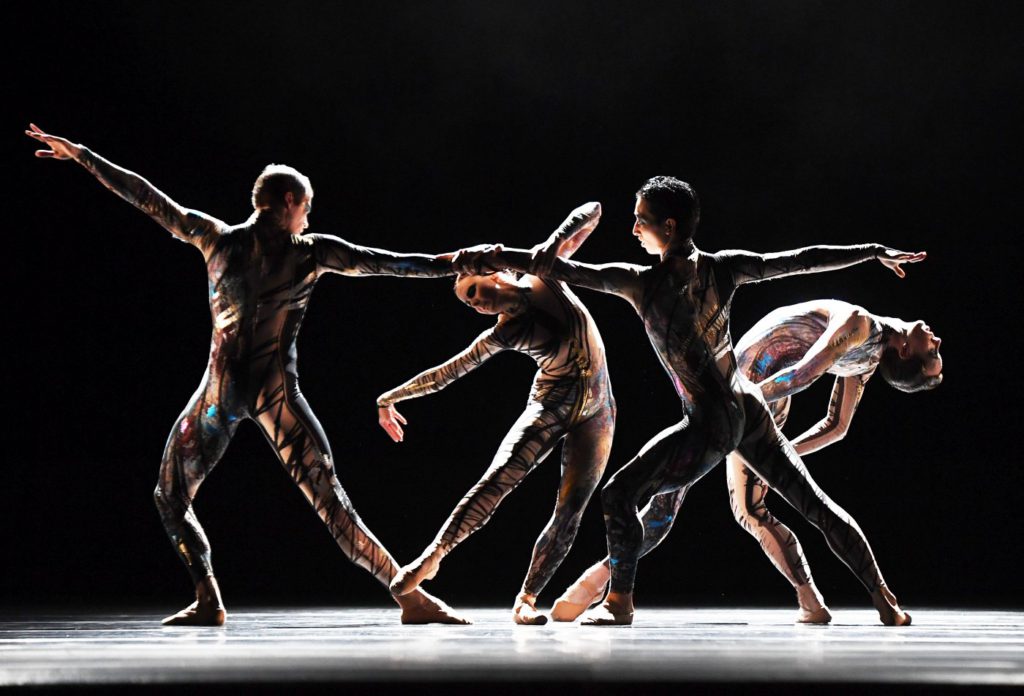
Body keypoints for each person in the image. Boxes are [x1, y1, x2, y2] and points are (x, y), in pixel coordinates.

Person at [26, 124, 469, 626]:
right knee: (319, 503)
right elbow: (390, 265)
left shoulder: (217, 239)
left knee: (180, 497)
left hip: (223, 393)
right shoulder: (308, 251)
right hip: (269, 395)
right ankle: (223, 600)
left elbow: (150, 200)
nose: (309, 216)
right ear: (289, 200)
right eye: (307, 206)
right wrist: (455, 265)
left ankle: (397, 598)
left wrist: (84, 155)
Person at [457, 175, 924, 626]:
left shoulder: (641, 283)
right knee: (814, 505)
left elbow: (564, 270)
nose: (634, 229)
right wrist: (871, 252)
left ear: (670, 227)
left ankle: (619, 601)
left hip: (712, 422)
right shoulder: (723, 267)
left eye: (641, 220)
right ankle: (886, 602)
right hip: (749, 408)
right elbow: (800, 260)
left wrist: (495, 256)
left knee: (620, 494)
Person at [549, 299, 942, 624]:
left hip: (746, 386)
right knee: (730, 504)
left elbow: (811, 387)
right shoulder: (867, 352)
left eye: (933, 352)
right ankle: (833, 602)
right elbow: (834, 423)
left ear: (905, 351)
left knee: (732, 505)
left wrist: (741, 407)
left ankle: (596, 584)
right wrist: (778, 455)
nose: (937, 340)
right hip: (746, 385)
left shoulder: (860, 326)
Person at [378, 203, 616, 624]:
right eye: (468, 304)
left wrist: (545, 246)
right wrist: (390, 397)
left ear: (494, 274)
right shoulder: (504, 332)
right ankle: (434, 556)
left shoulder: (544, 275)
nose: (476, 305)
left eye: (473, 292)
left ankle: (527, 598)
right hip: (553, 400)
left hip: (599, 408)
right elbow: (448, 372)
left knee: (570, 509)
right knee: (502, 472)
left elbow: (592, 212)